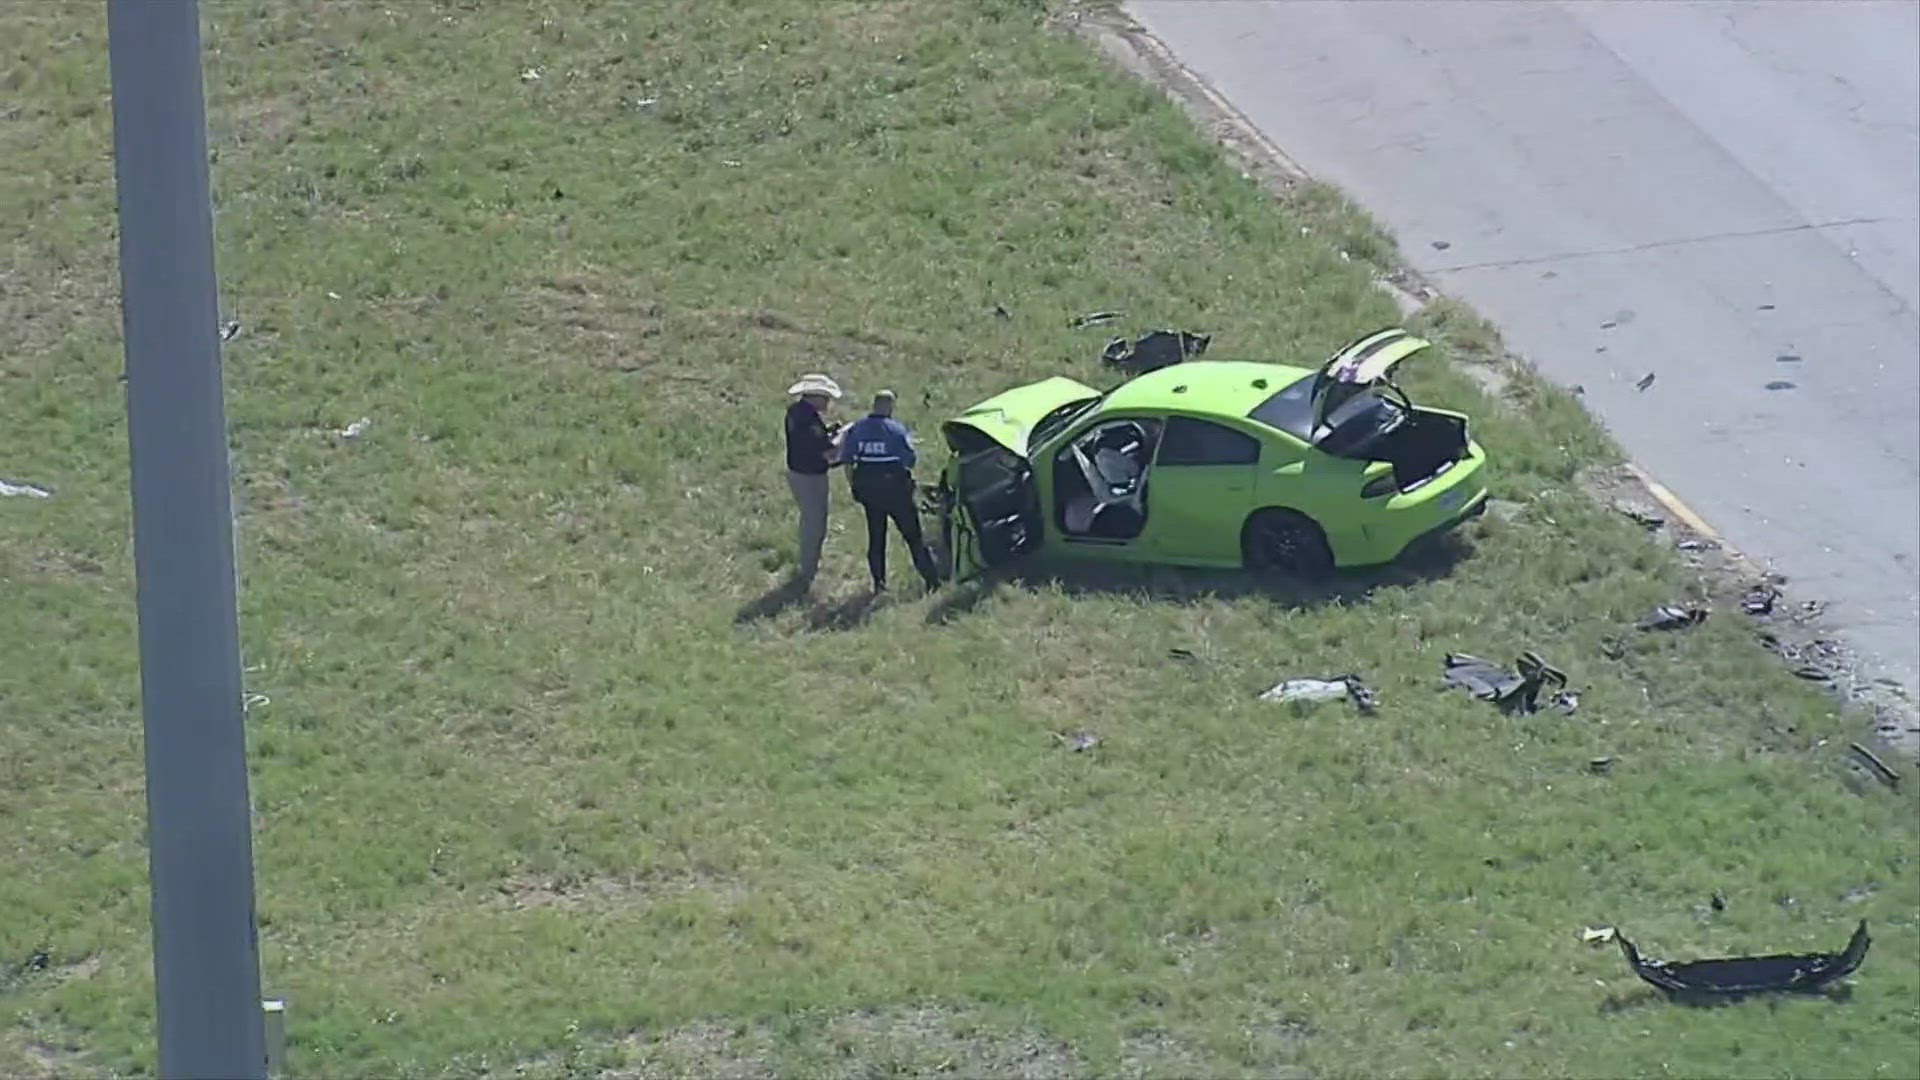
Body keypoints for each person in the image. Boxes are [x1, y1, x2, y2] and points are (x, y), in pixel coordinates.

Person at [840, 389, 941, 593]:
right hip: (896, 491)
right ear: (890, 407)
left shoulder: (858, 429)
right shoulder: (895, 430)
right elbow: (909, 460)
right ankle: (932, 582)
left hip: (869, 491)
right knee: (914, 537)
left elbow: (848, 461)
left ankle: (880, 584)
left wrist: (854, 485)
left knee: (876, 537)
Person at [784, 372, 845, 588]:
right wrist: (841, 439)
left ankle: (806, 564)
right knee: (815, 523)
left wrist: (828, 433)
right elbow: (828, 453)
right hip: (810, 477)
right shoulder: (809, 420)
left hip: (797, 473)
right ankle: (807, 570)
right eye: (825, 398)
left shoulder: (795, 412)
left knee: (809, 520)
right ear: (815, 397)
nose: (827, 402)